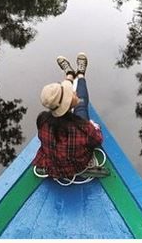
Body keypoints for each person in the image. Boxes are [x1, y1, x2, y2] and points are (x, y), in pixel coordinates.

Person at [33, 52, 103, 180]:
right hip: (78, 166)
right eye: (71, 93)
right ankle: (81, 74)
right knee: (81, 107)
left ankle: (69, 74)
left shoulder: (42, 121)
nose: (74, 92)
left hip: (53, 167)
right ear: (69, 102)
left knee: (78, 107)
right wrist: (94, 127)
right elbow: (97, 140)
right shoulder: (83, 127)